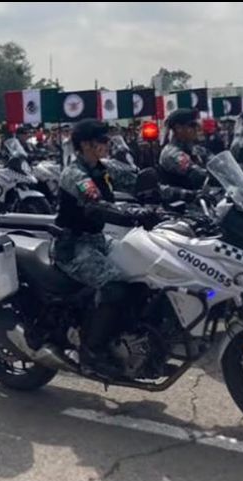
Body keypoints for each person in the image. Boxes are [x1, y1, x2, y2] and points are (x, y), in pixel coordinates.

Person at [53, 119, 159, 375]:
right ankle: (91, 352)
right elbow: (95, 202)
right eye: (102, 140)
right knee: (114, 288)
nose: (108, 143)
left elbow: (138, 181)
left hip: (98, 241)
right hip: (74, 246)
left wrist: (181, 196)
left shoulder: (104, 168)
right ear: (86, 145)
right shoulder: (75, 174)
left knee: (144, 272)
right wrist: (134, 213)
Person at [158, 109, 207, 190]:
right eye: (192, 125)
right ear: (178, 128)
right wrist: (214, 177)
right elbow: (196, 173)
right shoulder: (171, 153)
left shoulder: (194, 148)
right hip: (183, 200)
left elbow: (212, 160)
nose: (196, 128)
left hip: (200, 197)